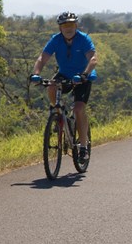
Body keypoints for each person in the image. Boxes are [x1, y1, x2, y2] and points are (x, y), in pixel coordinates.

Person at [30, 11, 98, 163]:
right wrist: (36, 74)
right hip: (65, 74)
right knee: (52, 86)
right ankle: (58, 113)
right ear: (60, 27)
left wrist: (85, 74)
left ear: (76, 25)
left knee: (79, 109)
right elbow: (42, 58)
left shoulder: (83, 39)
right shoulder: (56, 40)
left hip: (82, 76)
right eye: (65, 25)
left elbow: (93, 59)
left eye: (71, 25)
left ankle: (83, 146)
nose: (68, 28)